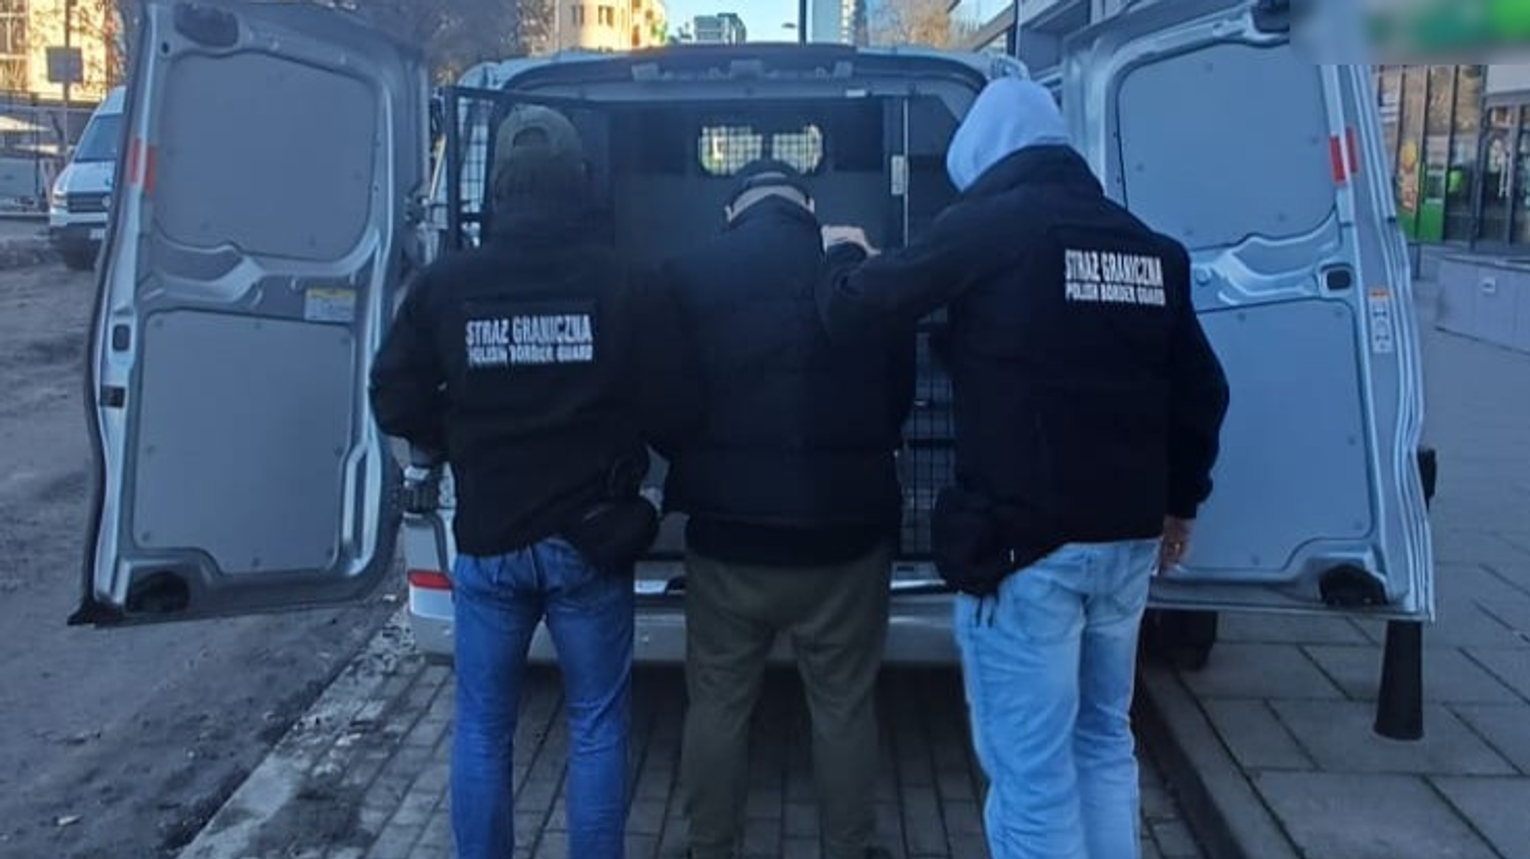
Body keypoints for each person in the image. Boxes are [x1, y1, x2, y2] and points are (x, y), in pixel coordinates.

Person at [818, 79, 1230, 859]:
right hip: (1128, 543)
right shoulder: (1150, 248)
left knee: (1032, 775)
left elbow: (855, 308)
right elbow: (1204, 390)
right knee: (1104, 741)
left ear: (985, 157)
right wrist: (1182, 502)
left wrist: (843, 252)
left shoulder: (992, 226)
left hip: (1028, 548)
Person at [369, 105, 701, 859]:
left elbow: (393, 395)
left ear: (498, 189)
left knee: (482, 729)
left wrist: (452, 436)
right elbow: (678, 409)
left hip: (489, 540)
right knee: (597, 725)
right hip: (590, 543)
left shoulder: (445, 285)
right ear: (580, 184)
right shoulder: (625, 281)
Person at [660, 159, 913, 859]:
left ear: (731, 213)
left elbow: (666, 405)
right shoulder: (860, 272)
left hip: (727, 539)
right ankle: (849, 847)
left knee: (717, 701)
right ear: (810, 208)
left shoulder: (685, 275)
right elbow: (897, 398)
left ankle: (710, 846)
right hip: (846, 537)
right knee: (844, 704)